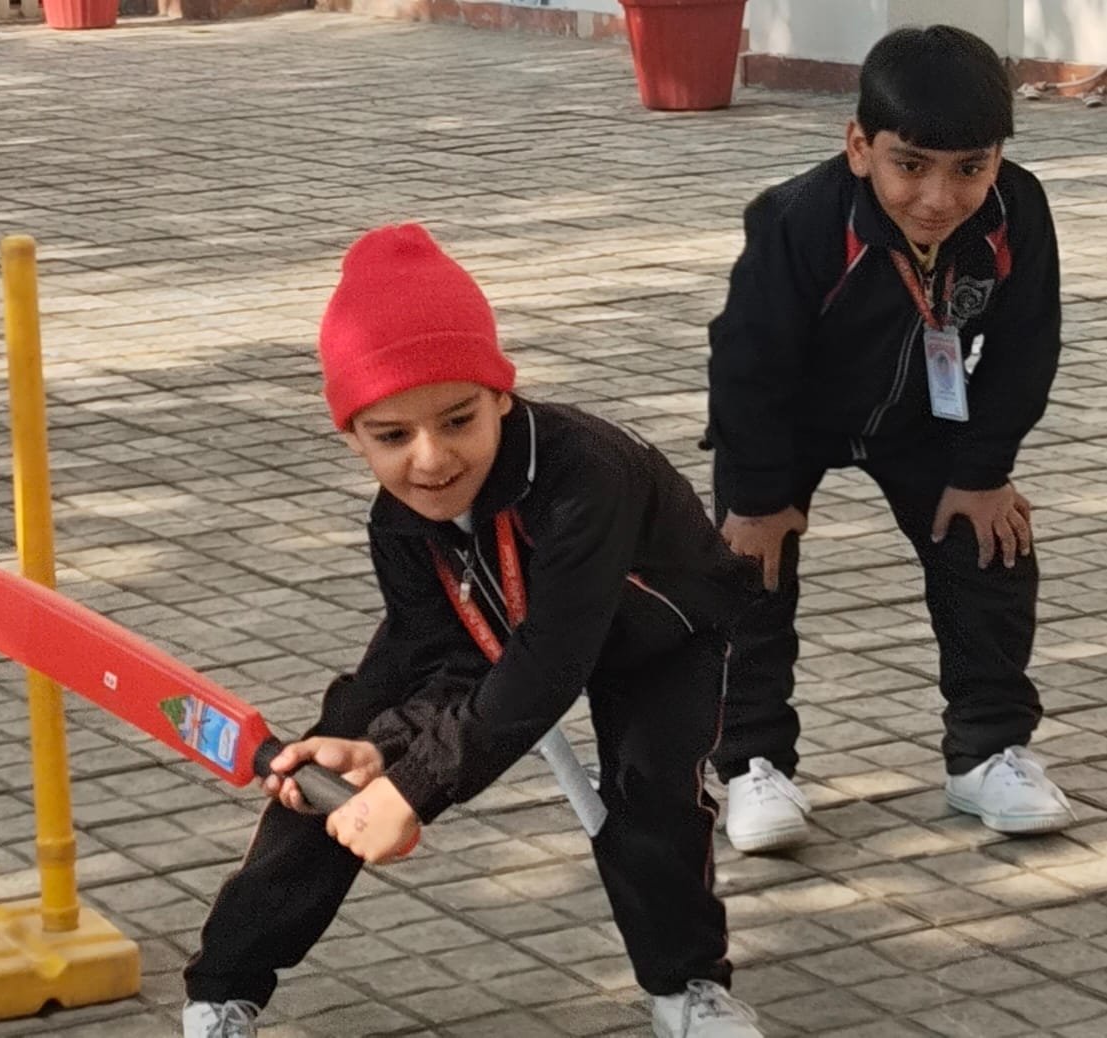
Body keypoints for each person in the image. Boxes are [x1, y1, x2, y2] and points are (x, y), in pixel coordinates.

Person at [181, 223, 762, 1037]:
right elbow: (435, 652)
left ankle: (688, 988)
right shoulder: (399, 521)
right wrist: (381, 748)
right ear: (350, 435)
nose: (430, 460)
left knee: (648, 790)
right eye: (391, 436)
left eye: (457, 420)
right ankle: (221, 991)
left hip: (657, 638)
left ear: (501, 395)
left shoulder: (586, 475)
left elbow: (548, 664)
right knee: (329, 756)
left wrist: (414, 786)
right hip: (512, 634)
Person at [705, 24, 1072, 855]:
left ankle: (986, 753)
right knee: (746, 572)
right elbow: (745, 364)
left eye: (969, 168)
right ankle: (752, 765)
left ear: (998, 158)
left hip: (922, 418)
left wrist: (983, 473)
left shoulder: (1017, 211)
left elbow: (1025, 348)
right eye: (910, 164)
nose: (938, 197)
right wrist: (757, 498)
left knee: (991, 545)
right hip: (786, 422)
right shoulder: (798, 219)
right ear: (858, 147)